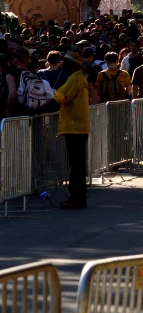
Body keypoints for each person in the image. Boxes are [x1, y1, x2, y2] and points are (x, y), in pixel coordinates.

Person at [33, 51, 90, 209]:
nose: (62, 64)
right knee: (77, 165)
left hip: (75, 127)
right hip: (78, 127)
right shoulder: (78, 79)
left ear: (73, 65)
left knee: (76, 166)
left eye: (65, 62)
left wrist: (36, 111)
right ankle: (79, 197)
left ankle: (77, 198)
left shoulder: (74, 79)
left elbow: (58, 100)